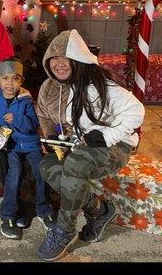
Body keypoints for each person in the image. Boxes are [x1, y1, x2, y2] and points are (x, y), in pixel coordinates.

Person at [36, 29, 145, 261]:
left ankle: (64, 231)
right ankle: (100, 211)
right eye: (53, 59)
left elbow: (137, 112)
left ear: (77, 59)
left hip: (117, 145)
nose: (59, 64)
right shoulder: (71, 87)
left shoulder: (101, 85)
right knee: (47, 164)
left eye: (64, 58)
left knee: (74, 164)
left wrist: (106, 137)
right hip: (84, 145)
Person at [0, 57, 54, 240]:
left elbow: (32, 124)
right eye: (5, 79)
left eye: (15, 78)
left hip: (29, 142)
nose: (10, 83)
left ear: (21, 81)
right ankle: (7, 214)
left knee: (41, 170)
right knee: (14, 171)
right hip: (10, 145)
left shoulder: (26, 99)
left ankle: (43, 209)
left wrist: (17, 119)